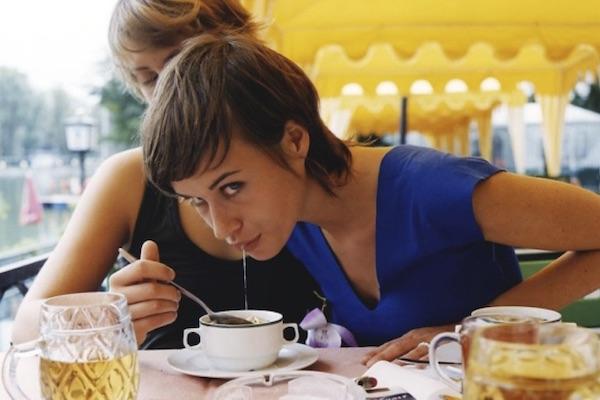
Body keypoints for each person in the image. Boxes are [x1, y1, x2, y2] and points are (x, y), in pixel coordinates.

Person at [141, 33, 600, 366]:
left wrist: (473, 330)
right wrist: (132, 314)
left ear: (294, 142)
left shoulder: (431, 188)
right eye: (197, 201)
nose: (222, 226)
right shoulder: (289, 224)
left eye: (231, 187)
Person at [11, 0, 321, 349]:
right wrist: (110, 314)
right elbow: (24, 328)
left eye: (180, 61)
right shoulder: (128, 179)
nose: (166, 93)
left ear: (237, 48)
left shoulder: (300, 159)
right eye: (149, 79)